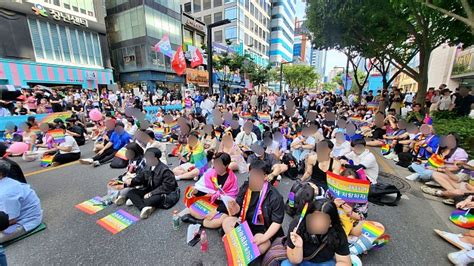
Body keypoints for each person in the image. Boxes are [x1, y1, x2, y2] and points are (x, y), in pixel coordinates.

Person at [222, 159, 285, 255]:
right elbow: (238, 209)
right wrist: (234, 206)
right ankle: (244, 250)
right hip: (245, 224)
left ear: (265, 176)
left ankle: (237, 246)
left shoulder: (275, 197)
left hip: (263, 230)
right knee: (227, 221)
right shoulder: (246, 186)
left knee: (263, 245)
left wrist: (263, 238)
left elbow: (277, 222)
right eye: (251, 174)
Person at [282, 199, 351, 266]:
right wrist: (298, 247)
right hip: (302, 260)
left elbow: (344, 261)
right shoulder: (297, 225)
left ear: (331, 223)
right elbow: (294, 261)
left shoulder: (337, 231)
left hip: (325, 263)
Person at [181, 153, 239, 229]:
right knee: (192, 209)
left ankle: (198, 222)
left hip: (222, 205)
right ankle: (203, 221)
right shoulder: (210, 172)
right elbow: (205, 191)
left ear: (226, 165)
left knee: (219, 221)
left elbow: (230, 200)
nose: (216, 166)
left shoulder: (232, 179)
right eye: (215, 163)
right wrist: (196, 191)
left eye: (219, 164)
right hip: (211, 200)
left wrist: (216, 211)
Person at [124, 148, 179, 219]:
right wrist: (131, 181)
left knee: (151, 200)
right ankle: (143, 207)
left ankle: (138, 202)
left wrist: (152, 193)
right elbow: (140, 177)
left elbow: (168, 187)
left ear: (155, 158)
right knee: (130, 193)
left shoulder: (165, 170)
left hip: (162, 193)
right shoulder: (147, 166)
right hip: (149, 188)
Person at [0, 161, 43, 244]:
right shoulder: (6, 182)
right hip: (12, 218)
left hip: (23, 222)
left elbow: (10, 221)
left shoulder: (6, 193)